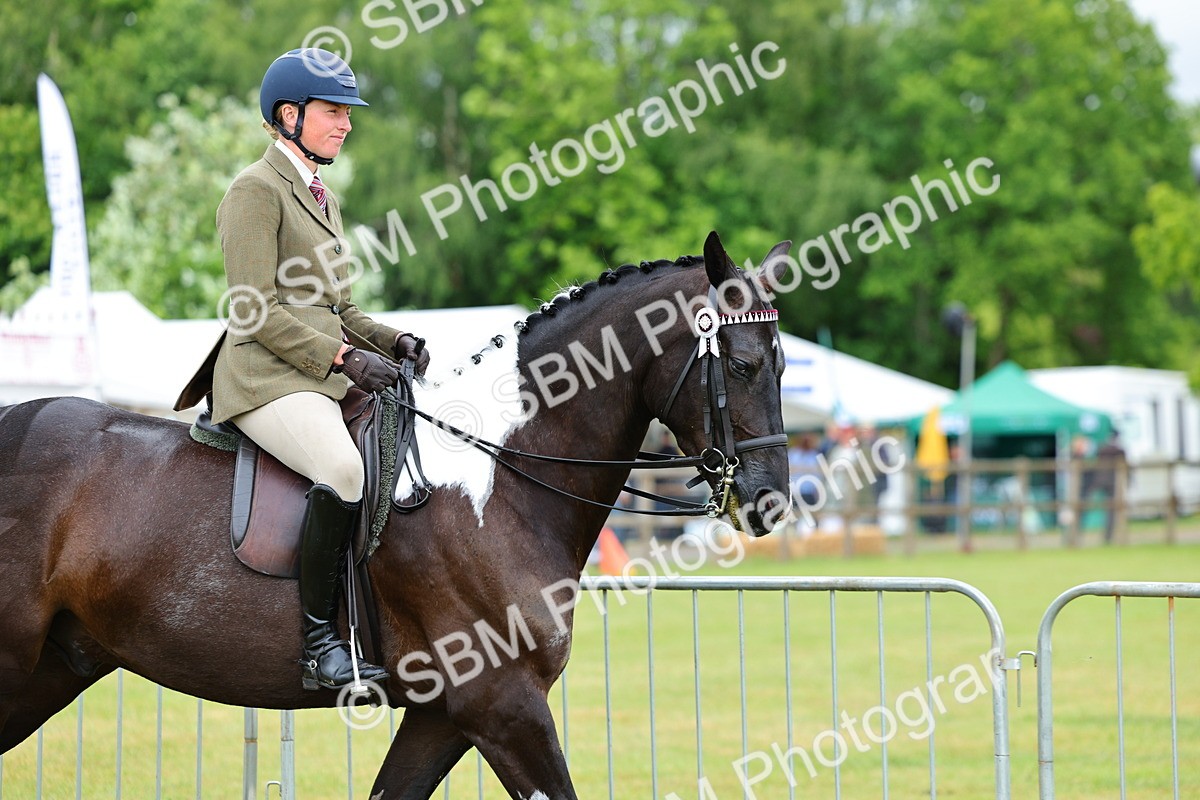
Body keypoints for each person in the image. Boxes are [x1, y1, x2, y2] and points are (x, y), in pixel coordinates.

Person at [179, 48, 430, 691]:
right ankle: (320, 645)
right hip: (263, 376)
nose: (345, 124)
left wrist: (394, 340)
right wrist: (346, 358)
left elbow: (338, 308)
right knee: (344, 469)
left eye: (348, 113)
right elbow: (253, 308)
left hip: (315, 370)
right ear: (288, 116)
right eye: (333, 112)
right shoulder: (254, 191)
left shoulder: (320, 195)